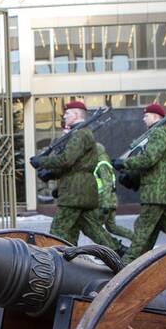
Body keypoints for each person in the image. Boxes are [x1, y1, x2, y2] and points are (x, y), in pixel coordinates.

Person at [36, 101, 123, 251]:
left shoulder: (80, 134)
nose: (64, 116)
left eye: (67, 113)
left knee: (58, 231)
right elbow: (75, 164)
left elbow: (67, 160)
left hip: (74, 192)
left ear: (76, 114)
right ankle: (119, 251)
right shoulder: (83, 133)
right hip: (79, 191)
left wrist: (41, 161)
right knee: (92, 229)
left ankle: (52, 260)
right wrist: (51, 173)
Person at [114, 103, 166, 264]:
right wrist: (131, 176)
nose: (143, 119)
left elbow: (150, 159)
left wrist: (125, 163)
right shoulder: (161, 133)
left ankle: (127, 264)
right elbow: (155, 163)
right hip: (162, 193)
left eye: (146, 115)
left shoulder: (158, 132)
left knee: (142, 228)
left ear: (156, 117)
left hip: (157, 192)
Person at [93, 142, 133, 253]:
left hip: (105, 201)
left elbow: (107, 185)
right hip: (110, 200)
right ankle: (135, 239)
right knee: (111, 227)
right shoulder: (103, 163)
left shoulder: (102, 164)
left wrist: (105, 203)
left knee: (96, 227)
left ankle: (108, 249)